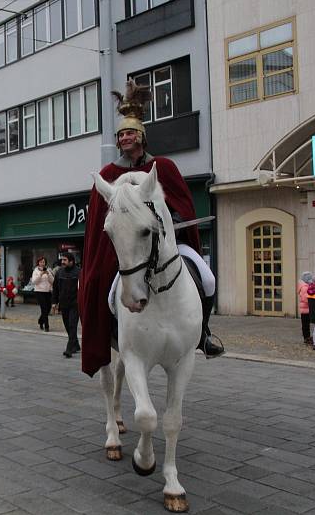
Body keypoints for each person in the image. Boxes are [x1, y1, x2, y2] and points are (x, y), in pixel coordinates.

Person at [80, 79, 222, 378]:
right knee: (99, 284)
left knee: (206, 278)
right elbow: (101, 221)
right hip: (127, 247)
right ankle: (108, 334)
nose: (125, 138)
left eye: (130, 132)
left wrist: (173, 220)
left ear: (141, 136)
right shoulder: (108, 174)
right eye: (121, 135)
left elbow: (183, 205)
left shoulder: (163, 168)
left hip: (167, 242)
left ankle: (203, 334)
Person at [53, 253, 81, 358]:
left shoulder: (79, 272)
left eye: (65, 260)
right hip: (64, 304)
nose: (62, 262)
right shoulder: (59, 272)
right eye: (62, 260)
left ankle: (69, 349)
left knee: (72, 325)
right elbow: (55, 288)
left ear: (71, 261)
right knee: (67, 326)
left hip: (75, 303)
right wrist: (54, 302)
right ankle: (76, 344)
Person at [31, 257, 54, 332]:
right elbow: (34, 282)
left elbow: (53, 281)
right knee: (44, 308)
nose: (42, 263)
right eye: (40, 262)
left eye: (43, 262)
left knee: (48, 309)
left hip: (48, 291)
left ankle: (41, 321)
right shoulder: (35, 271)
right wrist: (40, 274)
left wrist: (48, 274)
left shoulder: (48, 270)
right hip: (39, 291)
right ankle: (46, 326)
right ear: (38, 263)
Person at [297, 271, 313, 346]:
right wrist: (312, 298)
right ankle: (306, 338)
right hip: (305, 309)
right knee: (305, 325)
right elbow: (305, 298)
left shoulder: (304, 286)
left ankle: (307, 337)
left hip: (305, 308)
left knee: (306, 324)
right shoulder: (305, 287)